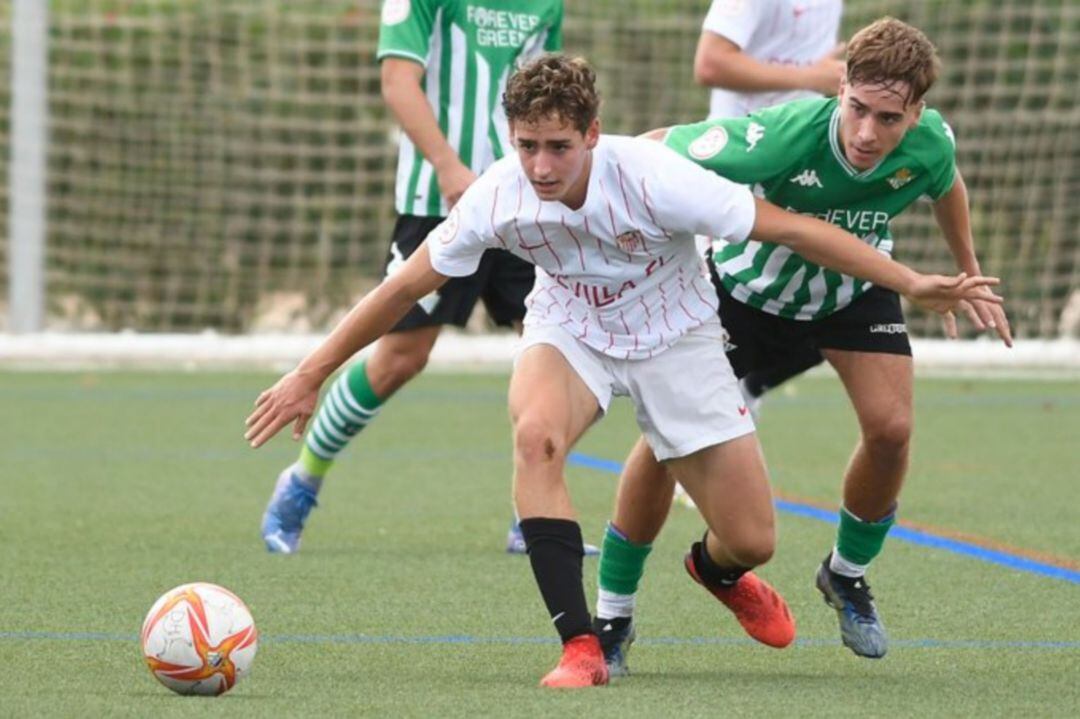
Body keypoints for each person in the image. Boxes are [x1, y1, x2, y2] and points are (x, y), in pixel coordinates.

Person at [244, 53, 1000, 688]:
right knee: (536, 435)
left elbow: (793, 228)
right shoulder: (497, 198)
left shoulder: (655, 177)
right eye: (527, 145)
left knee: (753, 537)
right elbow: (404, 286)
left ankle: (717, 571)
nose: (541, 166)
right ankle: (581, 642)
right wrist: (311, 371)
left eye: (559, 147)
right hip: (571, 328)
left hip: (679, 334)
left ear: (593, 137)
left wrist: (911, 282)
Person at [591, 17, 1013, 674]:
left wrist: (966, 270)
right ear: (839, 88)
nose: (869, 132)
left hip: (850, 294)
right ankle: (612, 616)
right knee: (664, 447)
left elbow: (946, 184)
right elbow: (651, 148)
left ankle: (845, 574)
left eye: (890, 118)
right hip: (743, 298)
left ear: (918, 111)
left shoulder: (928, 142)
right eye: (858, 109)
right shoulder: (780, 136)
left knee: (892, 427)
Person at [259, 0, 568, 555]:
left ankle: (534, 512)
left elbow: (546, 95)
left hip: (525, 198)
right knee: (401, 358)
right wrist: (448, 166)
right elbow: (398, 79)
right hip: (438, 199)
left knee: (551, 350)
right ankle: (303, 477)